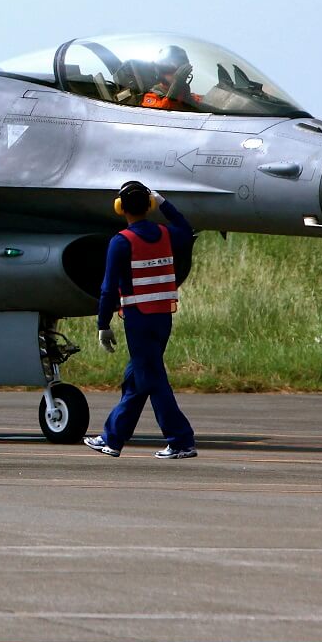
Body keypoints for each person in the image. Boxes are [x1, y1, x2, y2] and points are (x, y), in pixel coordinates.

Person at [86, 180, 197, 458]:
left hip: (138, 320)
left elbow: (108, 288)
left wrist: (103, 324)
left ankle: (181, 440)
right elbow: (186, 228)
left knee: (152, 380)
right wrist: (164, 203)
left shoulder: (121, 242)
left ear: (120, 207)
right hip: (162, 318)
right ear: (148, 205)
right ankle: (112, 437)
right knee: (135, 380)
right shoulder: (165, 234)